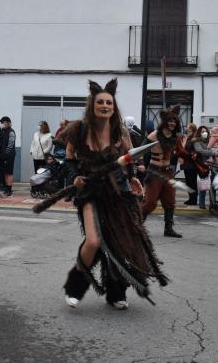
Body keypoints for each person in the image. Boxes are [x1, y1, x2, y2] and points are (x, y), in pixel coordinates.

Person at [56, 79, 168, 309]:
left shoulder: (121, 132)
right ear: (92, 105)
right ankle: (75, 287)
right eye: (100, 102)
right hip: (89, 192)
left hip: (119, 193)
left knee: (119, 244)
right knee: (94, 240)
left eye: (109, 102)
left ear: (113, 106)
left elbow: (130, 159)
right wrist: (74, 176)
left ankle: (116, 292)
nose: (105, 106)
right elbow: (69, 158)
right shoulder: (80, 130)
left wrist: (133, 177)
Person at [140, 105, 186, 238]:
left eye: (174, 121)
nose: (172, 123)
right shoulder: (154, 135)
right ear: (164, 122)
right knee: (150, 202)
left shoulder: (176, 137)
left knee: (170, 201)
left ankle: (168, 229)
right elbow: (141, 151)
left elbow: (181, 152)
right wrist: (142, 164)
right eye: (170, 121)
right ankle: (137, 226)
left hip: (168, 172)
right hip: (154, 171)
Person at [190, 125, 217, 209]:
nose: (204, 133)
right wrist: (212, 152)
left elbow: (216, 149)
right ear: (199, 133)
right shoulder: (196, 141)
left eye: (205, 131)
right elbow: (199, 151)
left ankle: (213, 204)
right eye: (202, 131)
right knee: (203, 186)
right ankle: (202, 204)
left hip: (212, 165)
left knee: (213, 185)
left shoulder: (210, 140)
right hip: (202, 166)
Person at [0, 116, 16, 197]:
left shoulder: (11, 132)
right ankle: (6, 188)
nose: (2, 124)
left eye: (3, 122)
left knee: (9, 173)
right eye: (1, 123)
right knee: (5, 173)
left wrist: (5, 154)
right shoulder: (4, 131)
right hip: (4, 156)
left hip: (9, 156)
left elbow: (10, 145)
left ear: (7, 123)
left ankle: (9, 189)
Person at [180, 123, 198, 205]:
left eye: (188, 128)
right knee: (188, 182)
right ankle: (191, 198)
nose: (187, 129)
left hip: (192, 165)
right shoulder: (187, 138)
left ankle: (193, 200)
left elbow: (195, 150)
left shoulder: (194, 139)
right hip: (186, 164)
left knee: (192, 182)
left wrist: (192, 153)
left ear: (192, 129)